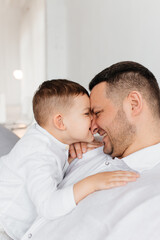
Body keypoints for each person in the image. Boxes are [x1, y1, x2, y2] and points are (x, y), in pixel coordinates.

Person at [21, 61, 160, 240]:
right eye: (88, 115)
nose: (92, 126)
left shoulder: (150, 194)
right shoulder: (83, 148)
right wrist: (62, 147)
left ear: (133, 103)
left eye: (98, 113)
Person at [0, 79, 138, 240]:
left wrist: (71, 153)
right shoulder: (39, 155)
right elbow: (49, 206)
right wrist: (92, 183)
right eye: (87, 114)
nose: (94, 122)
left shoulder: (49, 139)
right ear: (60, 122)